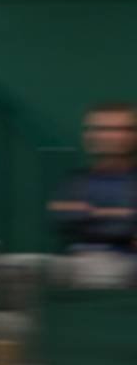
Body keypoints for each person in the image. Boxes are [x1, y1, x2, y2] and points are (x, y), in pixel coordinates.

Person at [48, 103, 137, 265]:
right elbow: (62, 218)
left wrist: (93, 214)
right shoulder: (76, 182)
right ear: (88, 136)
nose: (109, 137)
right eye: (101, 129)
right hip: (80, 269)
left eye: (121, 129)